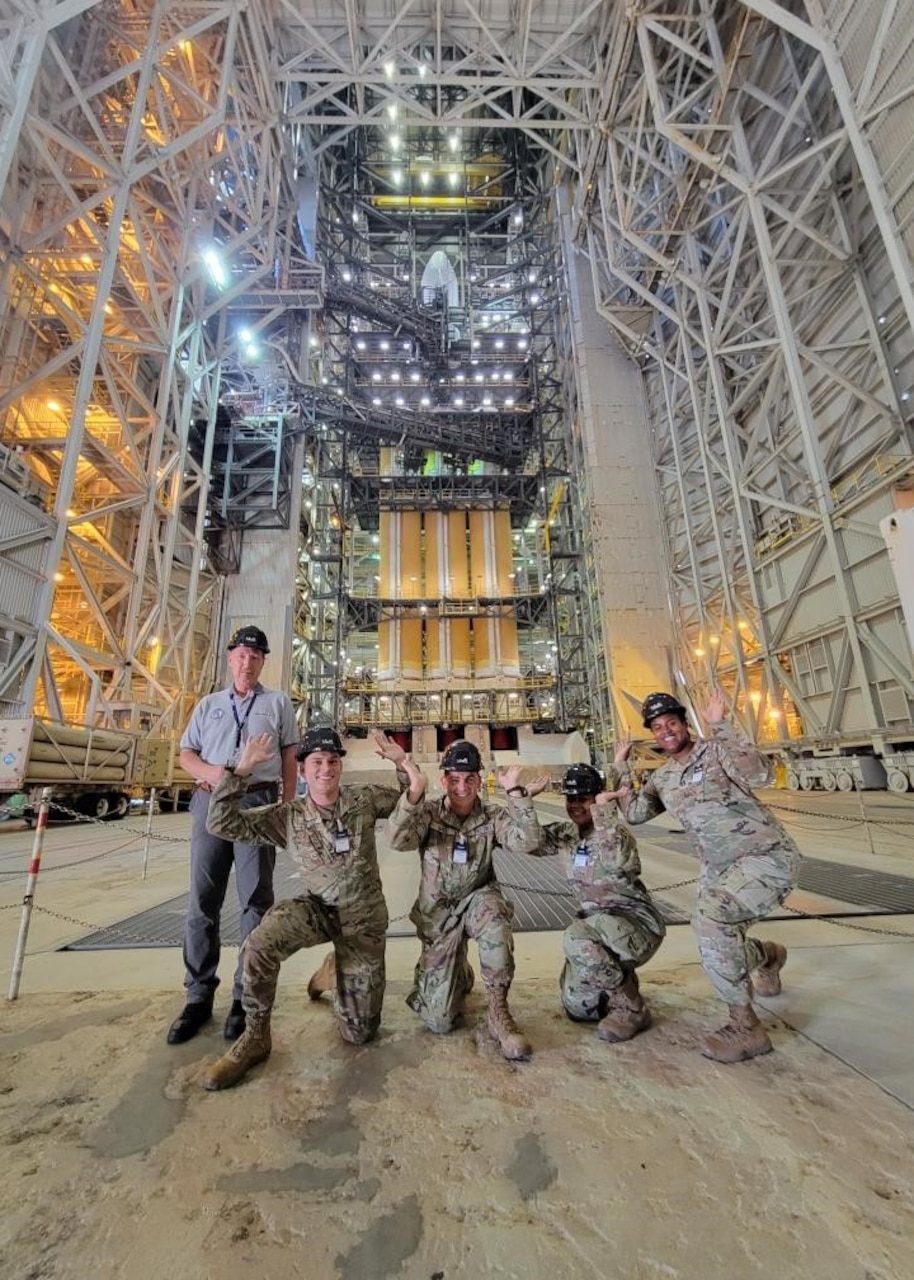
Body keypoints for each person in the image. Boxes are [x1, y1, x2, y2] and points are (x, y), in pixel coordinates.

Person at [200, 727, 425, 1090]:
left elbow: (409, 797)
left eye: (333, 761)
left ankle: (331, 973)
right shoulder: (286, 817)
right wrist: (240, 772)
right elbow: (220, 822)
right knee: (260, 943)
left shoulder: (363, 799)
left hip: (363, 919)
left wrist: (402, 762)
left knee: (359, 1033)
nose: (327, 768)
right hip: (318, 910)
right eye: (317, 762)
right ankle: (256, 1035)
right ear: (302, 770)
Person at [613, 690, 799, 1063]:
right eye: (657, 727)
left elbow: (760, 773)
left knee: (712, 923)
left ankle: (746, 1028)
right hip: (720, 870)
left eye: (672, 722)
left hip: (765, 858)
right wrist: (620, 767)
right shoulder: (664, 778)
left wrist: (721, 724)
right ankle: (767, 956)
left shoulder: (716, 751)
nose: (666, 730)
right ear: (653, 734)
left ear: (684, 724)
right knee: (715, 941)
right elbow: (633, 813)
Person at [167, 626, 298, 1046]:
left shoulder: (277, 703)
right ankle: (199, 995)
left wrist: (287, 806)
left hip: (258, 804)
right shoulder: (209, 705)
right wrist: (219, 777)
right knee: (202, 901)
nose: (248, 662)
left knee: (256, 900)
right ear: (230, 658)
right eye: (241, 655)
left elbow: (290, 756)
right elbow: (186, 754)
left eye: (256, 656)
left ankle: (246, 996)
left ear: (263, 661)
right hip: (211, 801)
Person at [385, 739, 540, 1061]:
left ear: (479, 781)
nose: (462, 787)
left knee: (495, 918)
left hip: (477, 902)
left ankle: (499, 1012)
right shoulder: (427, 814)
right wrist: (413, 791)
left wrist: (516, 795)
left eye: (470, 778)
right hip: (439, 919)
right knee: (439, 1021)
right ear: (444, 780)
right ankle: (457, 972)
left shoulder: (492, 816)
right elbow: (397, 841)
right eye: (454, 779)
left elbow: (527, 842)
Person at [525, 763, 665, 1042]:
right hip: (600, 932)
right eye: (571, 798)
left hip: (636, 927)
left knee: (576, 937)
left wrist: (604, 813)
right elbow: (529, 843)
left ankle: (631, 1006)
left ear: (596, 798)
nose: (576, 805)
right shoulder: (567, 834)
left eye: (584, 799)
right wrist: (523, 800)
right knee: (578, 1008)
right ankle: (620, 977)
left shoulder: (615, 833)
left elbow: (621, 863)